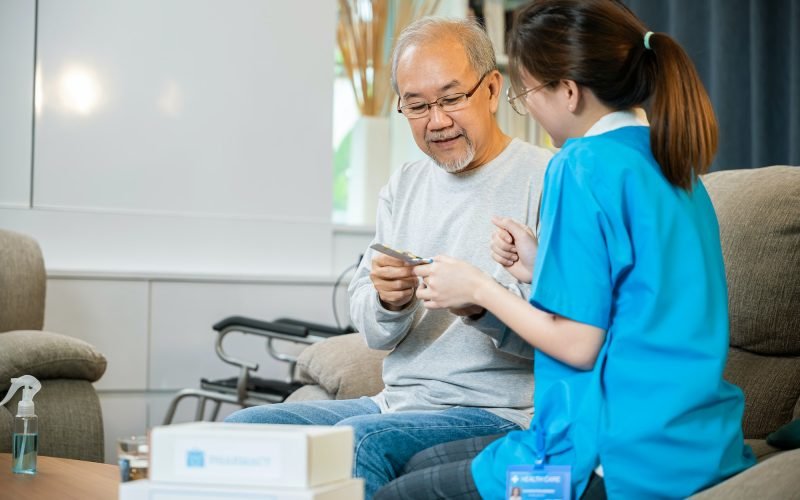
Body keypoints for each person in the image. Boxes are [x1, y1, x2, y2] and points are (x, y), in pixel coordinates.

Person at [375, 0, 755, 498]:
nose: (526, 104)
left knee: (393, 493)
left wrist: (482, 289)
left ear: (569, 92)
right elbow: (639, 296)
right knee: (421, 461)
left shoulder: (579, 166)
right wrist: (540, 268)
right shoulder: (672, 163)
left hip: (610, 458)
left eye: (527, 90)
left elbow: (578, 345)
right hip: (696, 445)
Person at [224, 17, 552, 499]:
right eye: (416, 106)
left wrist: (481, 305)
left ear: (492, 88)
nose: (436, 121)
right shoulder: (404, 185)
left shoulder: (547, 178)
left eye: (451, 98)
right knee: (241, 431)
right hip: (393, 403)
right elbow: (375, 334)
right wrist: (388, 301)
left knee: (358, 445)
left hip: (499, 412)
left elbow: (564, 332)